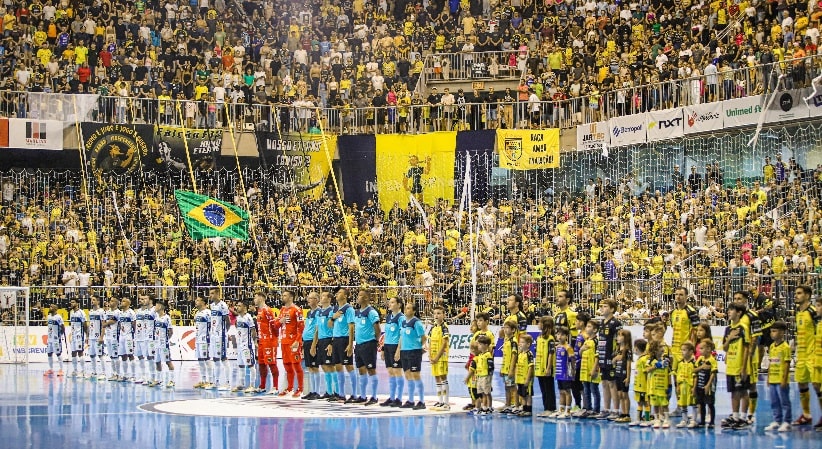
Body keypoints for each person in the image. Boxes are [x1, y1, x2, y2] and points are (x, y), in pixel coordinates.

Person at [792, 285, 821, 428]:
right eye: (795, 293)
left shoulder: (813, 312)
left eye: (799, 293)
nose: (796, 296)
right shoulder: (798, 312)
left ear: (808, 296)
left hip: (813, 355)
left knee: (817, 385)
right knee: (801, 383)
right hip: (801, 355)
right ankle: (806, 414)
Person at [721, 302, 751, 429]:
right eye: (728, 310)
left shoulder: (743, 328)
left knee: (743, 391)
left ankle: (744, 418)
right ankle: (735, 416)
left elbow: (746, 348)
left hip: (740, 366)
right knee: (733, 392)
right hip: (731, 366)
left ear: (739, 313)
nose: (729, 312)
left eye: (732, 310)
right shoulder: (728, 329)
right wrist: (729, 338)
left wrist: (744, 367)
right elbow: (724, 347)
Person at [669, 286, 699, 414]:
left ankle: (694, 407)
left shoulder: (691, 311)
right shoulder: (673, 312)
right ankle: (680, 406)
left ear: (686, 296)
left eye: (681, 294)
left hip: (686, 352)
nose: (678, 297)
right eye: (676, 294)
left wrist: (690, 350)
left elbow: (696, 331)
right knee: (677, 380)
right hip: (674, 351)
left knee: (689, 380)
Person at [396, 301, 426, 410]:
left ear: (414, 311)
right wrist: (398, 350)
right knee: (408, 375)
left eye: (409, 308)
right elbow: (401, 337)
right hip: (404, 351)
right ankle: (411, 400)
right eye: (406, 308)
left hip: (414, 352)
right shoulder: (403, 322)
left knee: (416, 375)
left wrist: (418, 347)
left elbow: (423, 338)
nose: (406, 310)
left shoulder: (416, 323)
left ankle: (422, 401)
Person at [353, 288, 381, 405]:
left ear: (365, 298)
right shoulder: (357, 312)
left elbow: (378, 329)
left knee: (371, 369)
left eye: (359, 295)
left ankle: (374, 397)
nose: (357, 297)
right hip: (359, 345)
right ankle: (363, 395)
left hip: (369, 344)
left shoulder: (371, 312)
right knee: (361, 370)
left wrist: (374, 341)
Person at [596, 299, 622, 420]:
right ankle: (606, 409)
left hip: (611, 358)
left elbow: (620, 341)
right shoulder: (601, 323)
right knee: (604, 383)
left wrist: (617, 355)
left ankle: (616, 410)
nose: (602, 308)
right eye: (601, 306)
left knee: (612, 383)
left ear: (612, 309)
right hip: (602, 357)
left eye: (605, 306)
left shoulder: (615, 323)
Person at [764, 321, 792, 432]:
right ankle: (777, 420)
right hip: (773, 379)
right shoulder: (771, 346)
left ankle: (787, 421)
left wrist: (784, 379)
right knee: (774, 401)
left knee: (784, 401)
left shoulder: (785, 347)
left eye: (774, 331)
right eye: (771, 331)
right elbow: (771, 363)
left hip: (781, 379)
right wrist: (768, 377)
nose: (772, 334)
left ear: (782, 333)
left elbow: (786, 364)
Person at [330, 288, 357, 402]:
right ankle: (341, 394)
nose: (337, 294)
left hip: (344, 339)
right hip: (336, 340)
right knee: (338, 366)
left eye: (340, 292)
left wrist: (350, 344)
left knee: (349, 366)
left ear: (345, 296)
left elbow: (351, 327)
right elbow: (330, 325)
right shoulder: (336, 309)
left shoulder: (349, 309)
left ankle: (355, 394)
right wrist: (333, 317)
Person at [278, 290, 305, 397]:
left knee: (297, 365)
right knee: (287, 365)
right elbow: (276, 324)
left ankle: (300, 388)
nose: (282, 297)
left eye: (285, 295)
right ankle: (289, 388)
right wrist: (280, 321)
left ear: (291, 297)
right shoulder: (282, 310)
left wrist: (297, 341)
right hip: (284, 341)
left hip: (293, 342)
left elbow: (301, 326)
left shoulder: (297, 310)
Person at [254, 292, 281, 394]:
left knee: (271, 363)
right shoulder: (259, 310)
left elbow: (274, 325)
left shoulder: (267, 310)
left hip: (269, 341)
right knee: (261, 364)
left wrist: (276, 338)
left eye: (255, 298)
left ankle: (275, 387)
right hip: (261, 341)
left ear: (261, 298)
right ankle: (262, 386)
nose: (254, 300)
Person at [381, 297, 405, 407]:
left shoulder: (401, 318)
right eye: (389, 302)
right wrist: (383, 349)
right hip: (388, 346)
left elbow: (402, 335)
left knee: (397, 372)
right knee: (390, 372)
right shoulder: (389, 317)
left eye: (392, 302)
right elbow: (386, 334)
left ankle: (399, 399)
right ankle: (391, 397)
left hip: (396, 347)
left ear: (399, 305)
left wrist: (398, 350)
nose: (389, 304)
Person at [314, 292, 338, 400]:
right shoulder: (319, 312)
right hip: (321, 340)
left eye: (323, 296)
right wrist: (314, 344)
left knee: (331, 366)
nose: (321, 297)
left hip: (329, 339)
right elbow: (317, 329)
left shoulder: (332, 311)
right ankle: (329, 391)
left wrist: (332, 343)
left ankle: (337, 392)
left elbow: (335, 327)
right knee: (324, 366)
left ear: (329, 299)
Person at [428, 305, 451, 410]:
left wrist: (437, 357)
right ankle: (440, 401)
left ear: (444, 315)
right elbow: (430, 341)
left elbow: (444, 344)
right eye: (435, 313)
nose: (436, 315)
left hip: (441, 357)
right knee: (436, 377)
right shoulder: (433, 327)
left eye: (439, 313)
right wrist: (430, 355)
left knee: (443, 377)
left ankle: (446, 402)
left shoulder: (444, 327)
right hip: (433, 356)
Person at [208, 288, 230, 391]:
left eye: (212, 293)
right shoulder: (212, 306)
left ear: (217, 294)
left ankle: (227, 383)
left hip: (221, 336)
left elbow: (228, 321)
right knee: (215, 358)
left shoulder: (223, 306)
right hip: (213, 336)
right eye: (210, 294)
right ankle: (215, 382)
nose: (210, 296)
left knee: (223, 358)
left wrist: (224, 333)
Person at [301, 292, 322, 400]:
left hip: (313, 342)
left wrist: (314, 345)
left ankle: (317, 392)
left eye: (311, 298)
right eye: (308, 298)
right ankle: (312, 391)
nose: (308, 300)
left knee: (314, 367)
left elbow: (318, 329)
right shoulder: (309, 312)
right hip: (307, 341)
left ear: (317, 300)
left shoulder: (319, 312)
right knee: (309, 367)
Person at [646, 340, 672, 428]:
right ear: (654, 350)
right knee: (655, 404)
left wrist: (669, 386)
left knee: (665, 404)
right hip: (653, 387)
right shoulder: (650, 361)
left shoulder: (666, 361)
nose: (663, 348)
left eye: (663, 347)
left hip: (663, 386)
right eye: (660, 347)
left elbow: (669, 373)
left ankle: (666, 419)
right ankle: (657, 419)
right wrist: (656, 366)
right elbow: (646, 370)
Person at [551, 326, 575, 418]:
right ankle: (561, 409)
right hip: (559, 372)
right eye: (558, 334)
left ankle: (568, 411)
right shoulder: (557, 347)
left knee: (567, 391)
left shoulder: (568, 347)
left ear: (566, 336)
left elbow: (573, 360)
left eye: (562, 335)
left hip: (566, 373)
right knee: (561, 391)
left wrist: (572, 372)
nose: (559, 336)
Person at [535, 316, 556, 417]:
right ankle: (545, 408)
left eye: (539, 323)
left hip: (547, 368)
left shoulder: (550, 339)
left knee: (549, 389)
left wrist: (548, 368)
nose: (538, 324)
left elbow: (551, 354)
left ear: (545, 325)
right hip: (539, 368)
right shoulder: (539, 337)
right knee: (543, 389)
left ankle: (551, 408)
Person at [233, 301, 256, 393]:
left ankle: (252, 385)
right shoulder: (238, 318)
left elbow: (253, 331)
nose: (237, 307)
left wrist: (253, 342)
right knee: (241, 365)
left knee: (250, 365)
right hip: (239, 345)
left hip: (247, 345)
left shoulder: (248, 318)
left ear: (244, 307)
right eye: (237, 305)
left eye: (239, 306)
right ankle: (241, 384)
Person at [467, 335, 494, 415]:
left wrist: (489, 377)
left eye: (480, 344)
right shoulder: (480, 355)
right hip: (480, 376)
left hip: (486, 376)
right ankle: (483, 406)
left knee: (487, 392)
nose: (478, 346)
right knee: (482, 393)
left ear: (485, 345)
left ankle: (487, 407)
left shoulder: (488, 355)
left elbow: (490, 366)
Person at [694, 338, 718, 428]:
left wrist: (708, 385)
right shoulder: (700, 359)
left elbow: (713, 373)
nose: (700, 351)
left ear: (708, 349)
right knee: (701, 403)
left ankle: (712, 421)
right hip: (700, 384)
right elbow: (694, 369)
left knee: (710, 403)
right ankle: (702, 421)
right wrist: (701, 367)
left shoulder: (712, 360)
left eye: (702, 348)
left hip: (708, 386)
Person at [151, 301, 175, 389]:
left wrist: (166, 340)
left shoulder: (166, 318)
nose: (155, 307)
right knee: (157, 362)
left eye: (156, 305)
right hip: (156, 344)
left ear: (160, 307)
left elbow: (171, 331)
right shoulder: (156, 317)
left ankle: (172, 381)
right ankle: (159, 380)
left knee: (168, 361)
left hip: (164, 344)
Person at [134, 294, 157, 384]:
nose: (141, 300)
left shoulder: (154, 310)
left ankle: (152, 377)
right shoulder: (138, 311)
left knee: (150, 356)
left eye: (144, 299)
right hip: (139, 337)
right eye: (140, 299)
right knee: (140, 356)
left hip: (149, 338)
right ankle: (143, 376)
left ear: (150, 300)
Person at [580, 319, 601, 418]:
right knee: (586, 390)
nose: (586, 328)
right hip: (584, 369)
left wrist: (595, 369)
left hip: (592, 369)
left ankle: (596, 410)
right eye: (587, 326)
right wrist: (581, 349)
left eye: (589, 326)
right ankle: (588, 409)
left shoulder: (596, 341)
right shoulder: (587, 340)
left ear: (595, 330)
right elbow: (580, 353)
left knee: (594, 389)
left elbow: (598, 356)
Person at [674, 342, 697, 428]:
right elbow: (678, 376)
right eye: (681, 350)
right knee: (683, 403)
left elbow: (695, 376)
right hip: (682, 386)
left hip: (690, 386)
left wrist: (694, 387)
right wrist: (677, 386)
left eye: (684, 350)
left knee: (693, 403)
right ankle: (684, 419)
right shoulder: (680, 363)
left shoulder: (694, 363)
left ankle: (694, 420)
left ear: (691, 351)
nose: (682, 352)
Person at [612, 329, 632, 423]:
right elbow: (613, 362)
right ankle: (623, 412)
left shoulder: (627, 350)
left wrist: (628, 377)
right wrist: (615, 359)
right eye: (618, 335)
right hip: (617, 373)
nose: (618, 337)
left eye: (620, 335)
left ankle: (627, 414)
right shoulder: (617, 350)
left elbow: (628, 365)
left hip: (623, 374)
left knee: (625, 394)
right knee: (619, 394)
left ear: (625, 338)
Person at [513, 333, 535, 417]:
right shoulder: (520, 354)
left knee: (528, 394)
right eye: (520, 342)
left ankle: (528, 410)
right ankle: (524, 408)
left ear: (528, 344)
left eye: (522, 342)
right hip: (520, 378)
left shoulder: (529, 354)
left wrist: (528, 379)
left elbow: (530, 367)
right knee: (522, 394)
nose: (520, 344)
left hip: (526, 379)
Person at [499, 321, 519, 414]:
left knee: (513, 387)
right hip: (505, 369)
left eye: (507, 328)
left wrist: (511, 369)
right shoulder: (506, 341)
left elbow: (514, 355)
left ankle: (516, 405)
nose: (505, 329)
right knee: (507, 387)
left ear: (513, 330)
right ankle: (508, 405)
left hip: (511, 369)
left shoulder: (513, 341)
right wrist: (502, 369)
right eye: (504, 327)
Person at [193, 297, 212, 389]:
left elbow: (213, 325)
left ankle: (210, 381)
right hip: (198, 339)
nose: (195, 302)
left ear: (203, 302)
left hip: (205, 339)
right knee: (200, 360)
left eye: (197, 300)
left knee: (207, 359)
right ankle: (204, 380)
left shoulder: (208, 313)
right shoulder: (197, 313)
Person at [117, 298, 137, 382]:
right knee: (123, 356)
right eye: (121, 301)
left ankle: (133, 375)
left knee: (130, 355)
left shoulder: (131, 313)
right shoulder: (120, 313)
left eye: (123, 301)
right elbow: (119, 324)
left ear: (128, 303)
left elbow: (134, 325)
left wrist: (134, 337)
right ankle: (125, 375)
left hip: (129, 336)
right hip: (122, 337)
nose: (121, 302)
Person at [631, 339, 650, 426]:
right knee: (639, 402)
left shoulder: (644, 359)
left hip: (644, 386)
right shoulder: (639, 359)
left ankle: (647, 419)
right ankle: (638, 418)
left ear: (637, 348)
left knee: (646, 403)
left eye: (634, 348)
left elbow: (646, 371)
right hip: (637, 385)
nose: (633, 350)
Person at [86, 295, 105, 380]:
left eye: (94, 300)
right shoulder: (90, 312)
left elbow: (103, 325)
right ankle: (94, 372)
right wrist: (87, 336)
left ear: (98, 301)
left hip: (98, 337)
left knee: (100, 355)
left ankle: (103, 373)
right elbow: (90, 325)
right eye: (91, 300)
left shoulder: (101, 312)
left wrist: (101, 337)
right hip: (91, 337)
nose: (92, 301)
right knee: (92, 355)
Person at [68, 298, 87, 378]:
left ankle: (83, 371)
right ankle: (75, 370)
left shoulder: (81, 313)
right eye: (71, 302)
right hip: (73, 336)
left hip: (80, 335)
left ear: (77, 303)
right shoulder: (71, 313)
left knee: (80, 352)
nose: (71, 303)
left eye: (73, 302)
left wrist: (87, 336)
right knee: (73, 352)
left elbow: (85, 325)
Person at [44, 303, 65, 377]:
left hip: (56, 339)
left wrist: (60, 336)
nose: (50, 307)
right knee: (49, 354)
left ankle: (61, 369)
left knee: (58, 354)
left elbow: (63, 327)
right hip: (49, 339)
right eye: (50, 306)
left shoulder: (58, 317)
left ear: (56, 308)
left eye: (52, 307)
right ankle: (51, 369)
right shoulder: (49, 317)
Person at [103, 298, 121, 381]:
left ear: (117, 303)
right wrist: (108, 323)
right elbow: (103, 323)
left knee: (116, 356)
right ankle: (113, 373)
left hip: (115, 337)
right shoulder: (107, 312)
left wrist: (107, 323)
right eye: (110, 301)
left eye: (113, 301)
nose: (110, 302)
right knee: (111, 356)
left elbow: (113, 321)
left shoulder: (118, 312)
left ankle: (118, 374)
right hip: (108, 336)